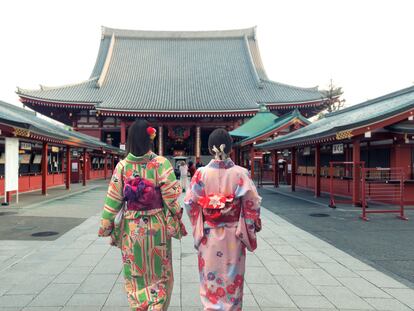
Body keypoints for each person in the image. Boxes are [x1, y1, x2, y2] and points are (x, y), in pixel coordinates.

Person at [98, 119, 186, 311]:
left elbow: (113, 200)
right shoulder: (161, 164)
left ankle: (139, 306)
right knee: (160, 274)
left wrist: (107, 226)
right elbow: (171, 198)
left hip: (132, 229)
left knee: (135, 275)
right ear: (150, 139)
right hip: (157, 228)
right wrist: (177, 217)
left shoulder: (122, 167)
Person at [184, 128, 262, 311]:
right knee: (232, 279)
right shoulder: (241, 173)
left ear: (210, 149)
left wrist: (201, 222)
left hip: (209, 235)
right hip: (234, 234)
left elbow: (189, 203)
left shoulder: (201, 174)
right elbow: (252, 205)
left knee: (210, 279)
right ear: (231, 148)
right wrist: (251, 225)